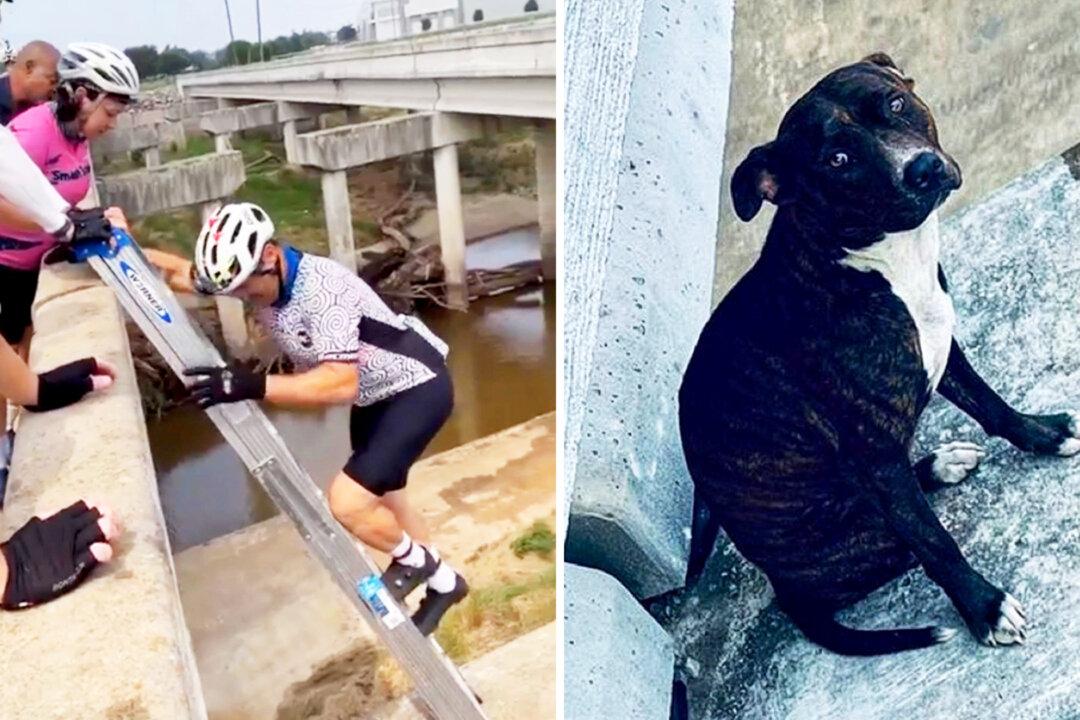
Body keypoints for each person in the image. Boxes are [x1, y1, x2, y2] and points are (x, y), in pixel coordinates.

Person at [133, 202, 469, 634]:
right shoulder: (249, 275)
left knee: (348, 504)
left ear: (270, 256)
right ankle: (442, 583)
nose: (243, 298)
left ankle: (419, 564)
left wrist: (249, 386)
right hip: (375, 396)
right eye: (233, 290)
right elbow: (182, 275)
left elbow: (337, 383)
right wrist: (119, 245)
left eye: (247, 290)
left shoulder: (323, 291)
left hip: (415, 388)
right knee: (389, 500)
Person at [0, 41, 138, 435]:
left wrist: (80, 222)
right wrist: (60, 225)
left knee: (24, 345)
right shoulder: (31, 134)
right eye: (109, 112)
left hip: (33, 263)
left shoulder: (77, 136)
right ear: (82, 96)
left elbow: (57, 201)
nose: (112, 123)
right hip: (6, 262)